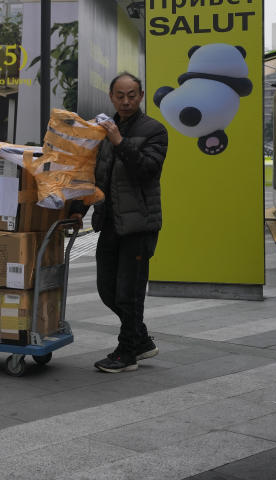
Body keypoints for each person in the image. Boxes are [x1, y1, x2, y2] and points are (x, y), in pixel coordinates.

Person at [73, 72, 168, 373]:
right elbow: (93, 176)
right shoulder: (102, 131)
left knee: (130, 292)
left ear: (141, 96)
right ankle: (140, 339)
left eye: (131, 95)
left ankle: (127, 352)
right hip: (110, 222)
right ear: (111, 96)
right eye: (119, 95)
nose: (125, 101)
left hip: (139, 225)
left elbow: (147, 171)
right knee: (107, 289)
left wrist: (119, 141)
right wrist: (77, 211)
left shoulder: (154, 130)